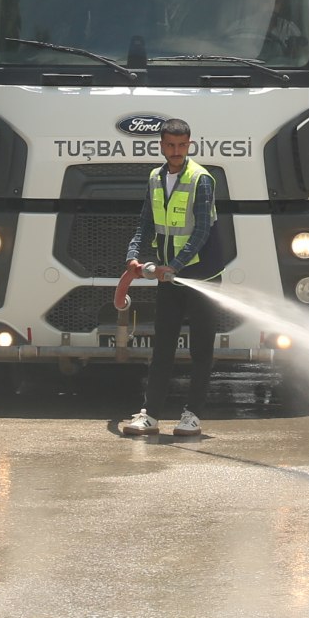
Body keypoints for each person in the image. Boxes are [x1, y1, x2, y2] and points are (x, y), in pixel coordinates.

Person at [115, 120, 232, 437]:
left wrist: (175, 265)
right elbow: (145, 224)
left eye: (181, 145)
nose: (176, 151)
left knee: (201, 349)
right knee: (162, 346)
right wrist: (133, 256)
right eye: (170, 145)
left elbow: (202, 230)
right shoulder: (155, 178)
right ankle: (150, 415)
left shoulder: (201, 179)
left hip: (202, 275)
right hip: (170, 276)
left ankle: (192, 415)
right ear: (161, 145)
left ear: (189, 145)